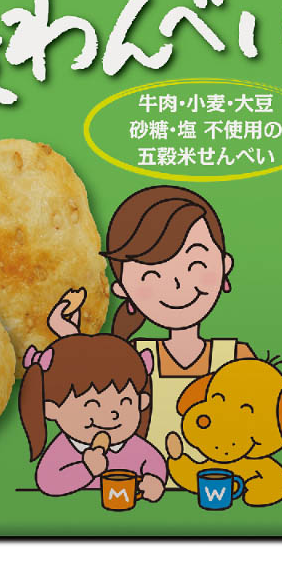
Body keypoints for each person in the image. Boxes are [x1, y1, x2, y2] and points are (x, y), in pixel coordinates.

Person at [49, 186, 254, 459]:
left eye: (195, 264)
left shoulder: (237, 359)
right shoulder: (134, 358)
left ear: (224, 264)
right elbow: (88, 401)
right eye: (152, 276)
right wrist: (70, 340)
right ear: (122, 289)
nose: (178, 284)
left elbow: (261, 424)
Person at [18, 334, 166, 500]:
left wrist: (154, 482)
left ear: (141, 402)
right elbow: (48, 482)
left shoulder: (136, 448)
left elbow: (154, 464)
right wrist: (86, 469)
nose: (112, 414)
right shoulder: (64, 450)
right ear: (52, 409)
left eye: (125, 402)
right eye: (92, 405)